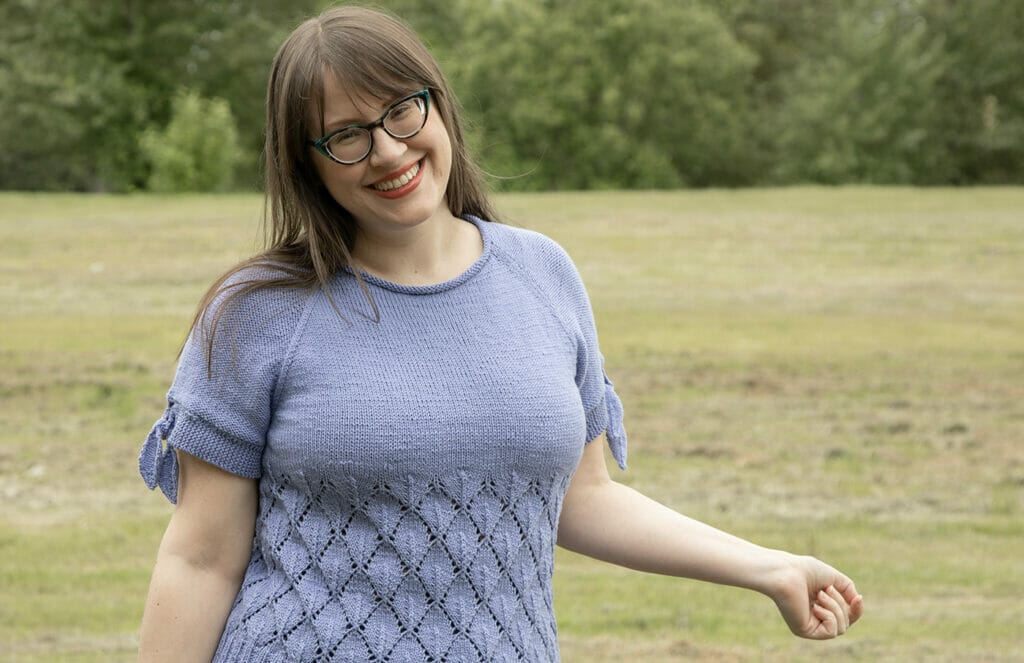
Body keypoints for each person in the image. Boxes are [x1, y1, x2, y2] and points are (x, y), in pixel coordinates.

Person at [137, 6, 863, 662]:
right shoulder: (256, 312)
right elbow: (201, 560)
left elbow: (582, 497)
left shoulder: (542, 273)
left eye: (400, 112)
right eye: (346, 136)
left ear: (438, 107)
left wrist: (768, 564)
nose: (388, 152)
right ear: (308, 163)